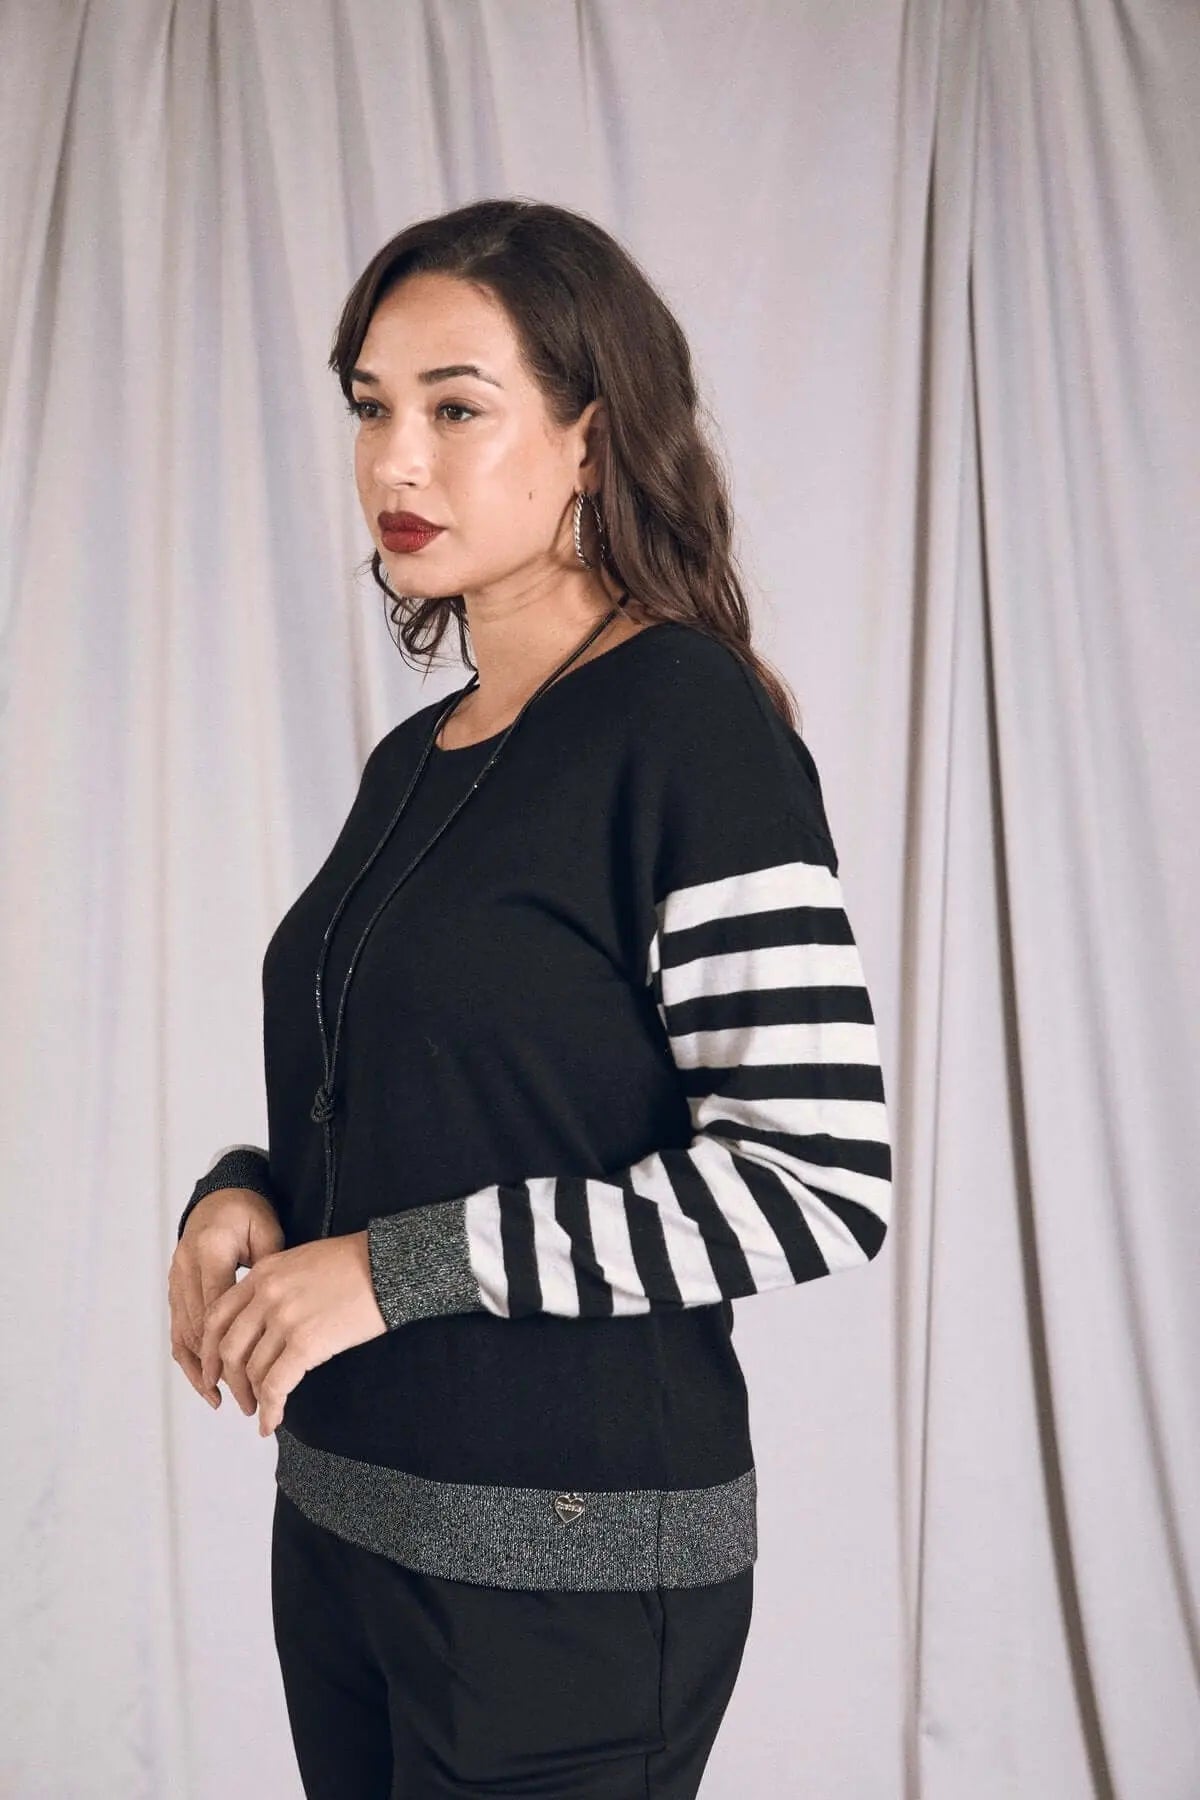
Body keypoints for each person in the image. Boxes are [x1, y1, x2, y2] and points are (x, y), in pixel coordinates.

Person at [167, 198, 893, 1799]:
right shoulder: (413, 762)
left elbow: (820, 1181)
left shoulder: (686, 722)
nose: (396, 462)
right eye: (372, 408)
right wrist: (244, 1194)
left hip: (567, 1575)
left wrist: (394, 1270)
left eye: (456, 409)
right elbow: (433, 1094)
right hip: (346, 1531)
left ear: (590, 437)